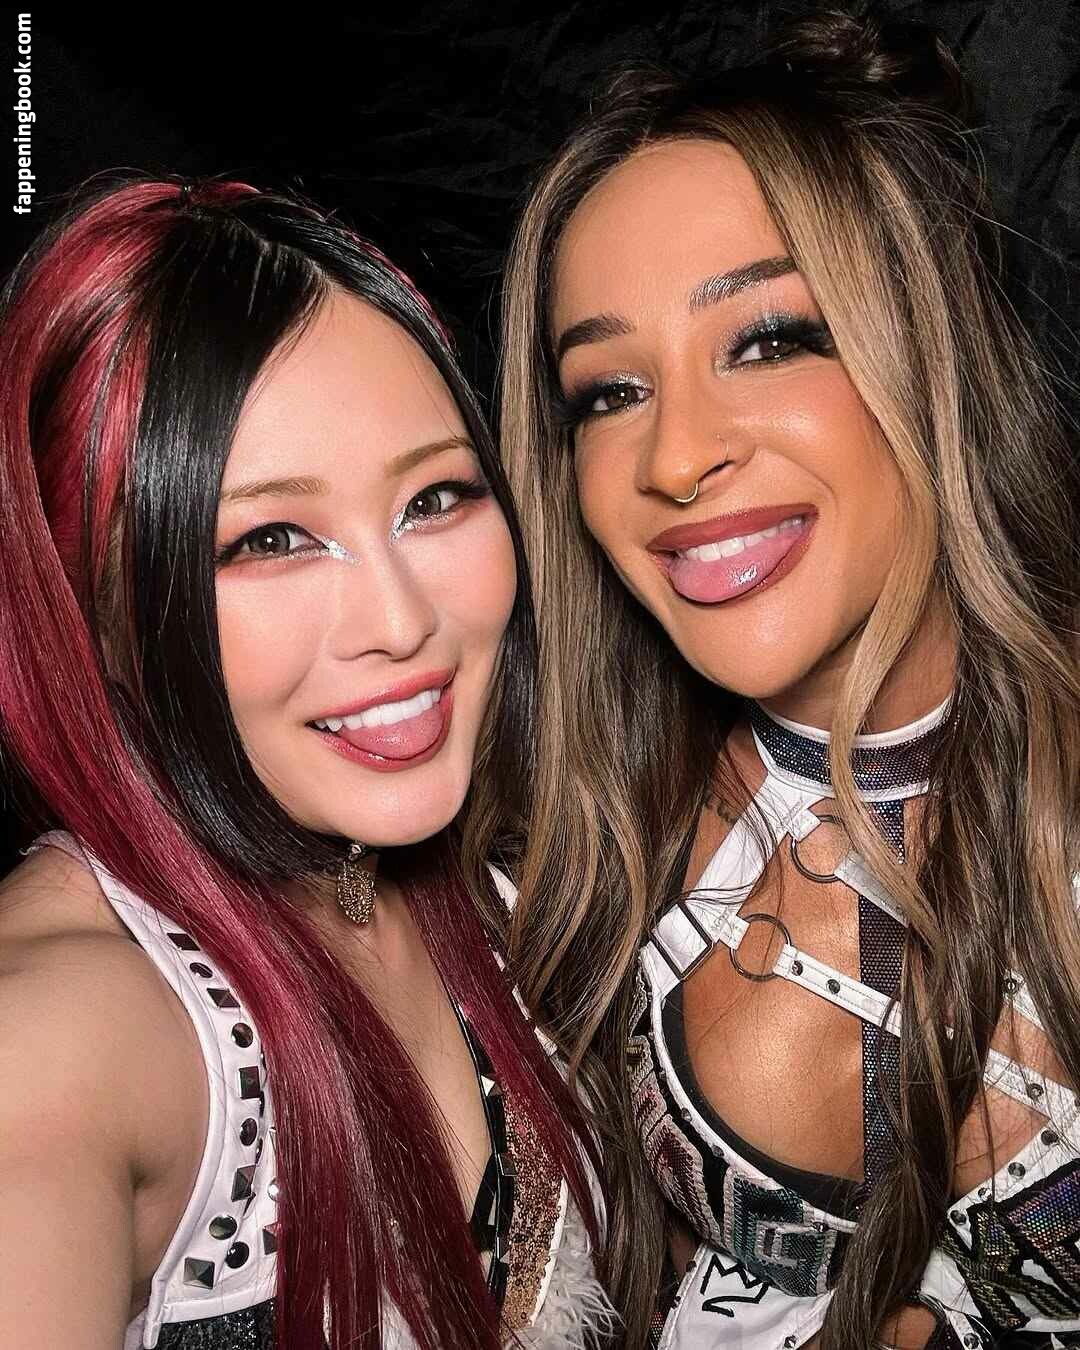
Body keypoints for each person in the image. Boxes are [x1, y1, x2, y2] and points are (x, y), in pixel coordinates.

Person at [497, 9, 1080, 1349]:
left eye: (768, 338)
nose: (673, 459)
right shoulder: (571, 857)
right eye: (608, 392)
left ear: (927, 348)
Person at [0, 178, 612, 1350]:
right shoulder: (64, 1035)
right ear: (95, 604)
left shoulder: (495, 889)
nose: (403, 621)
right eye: (272, 539)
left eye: (436, 498)